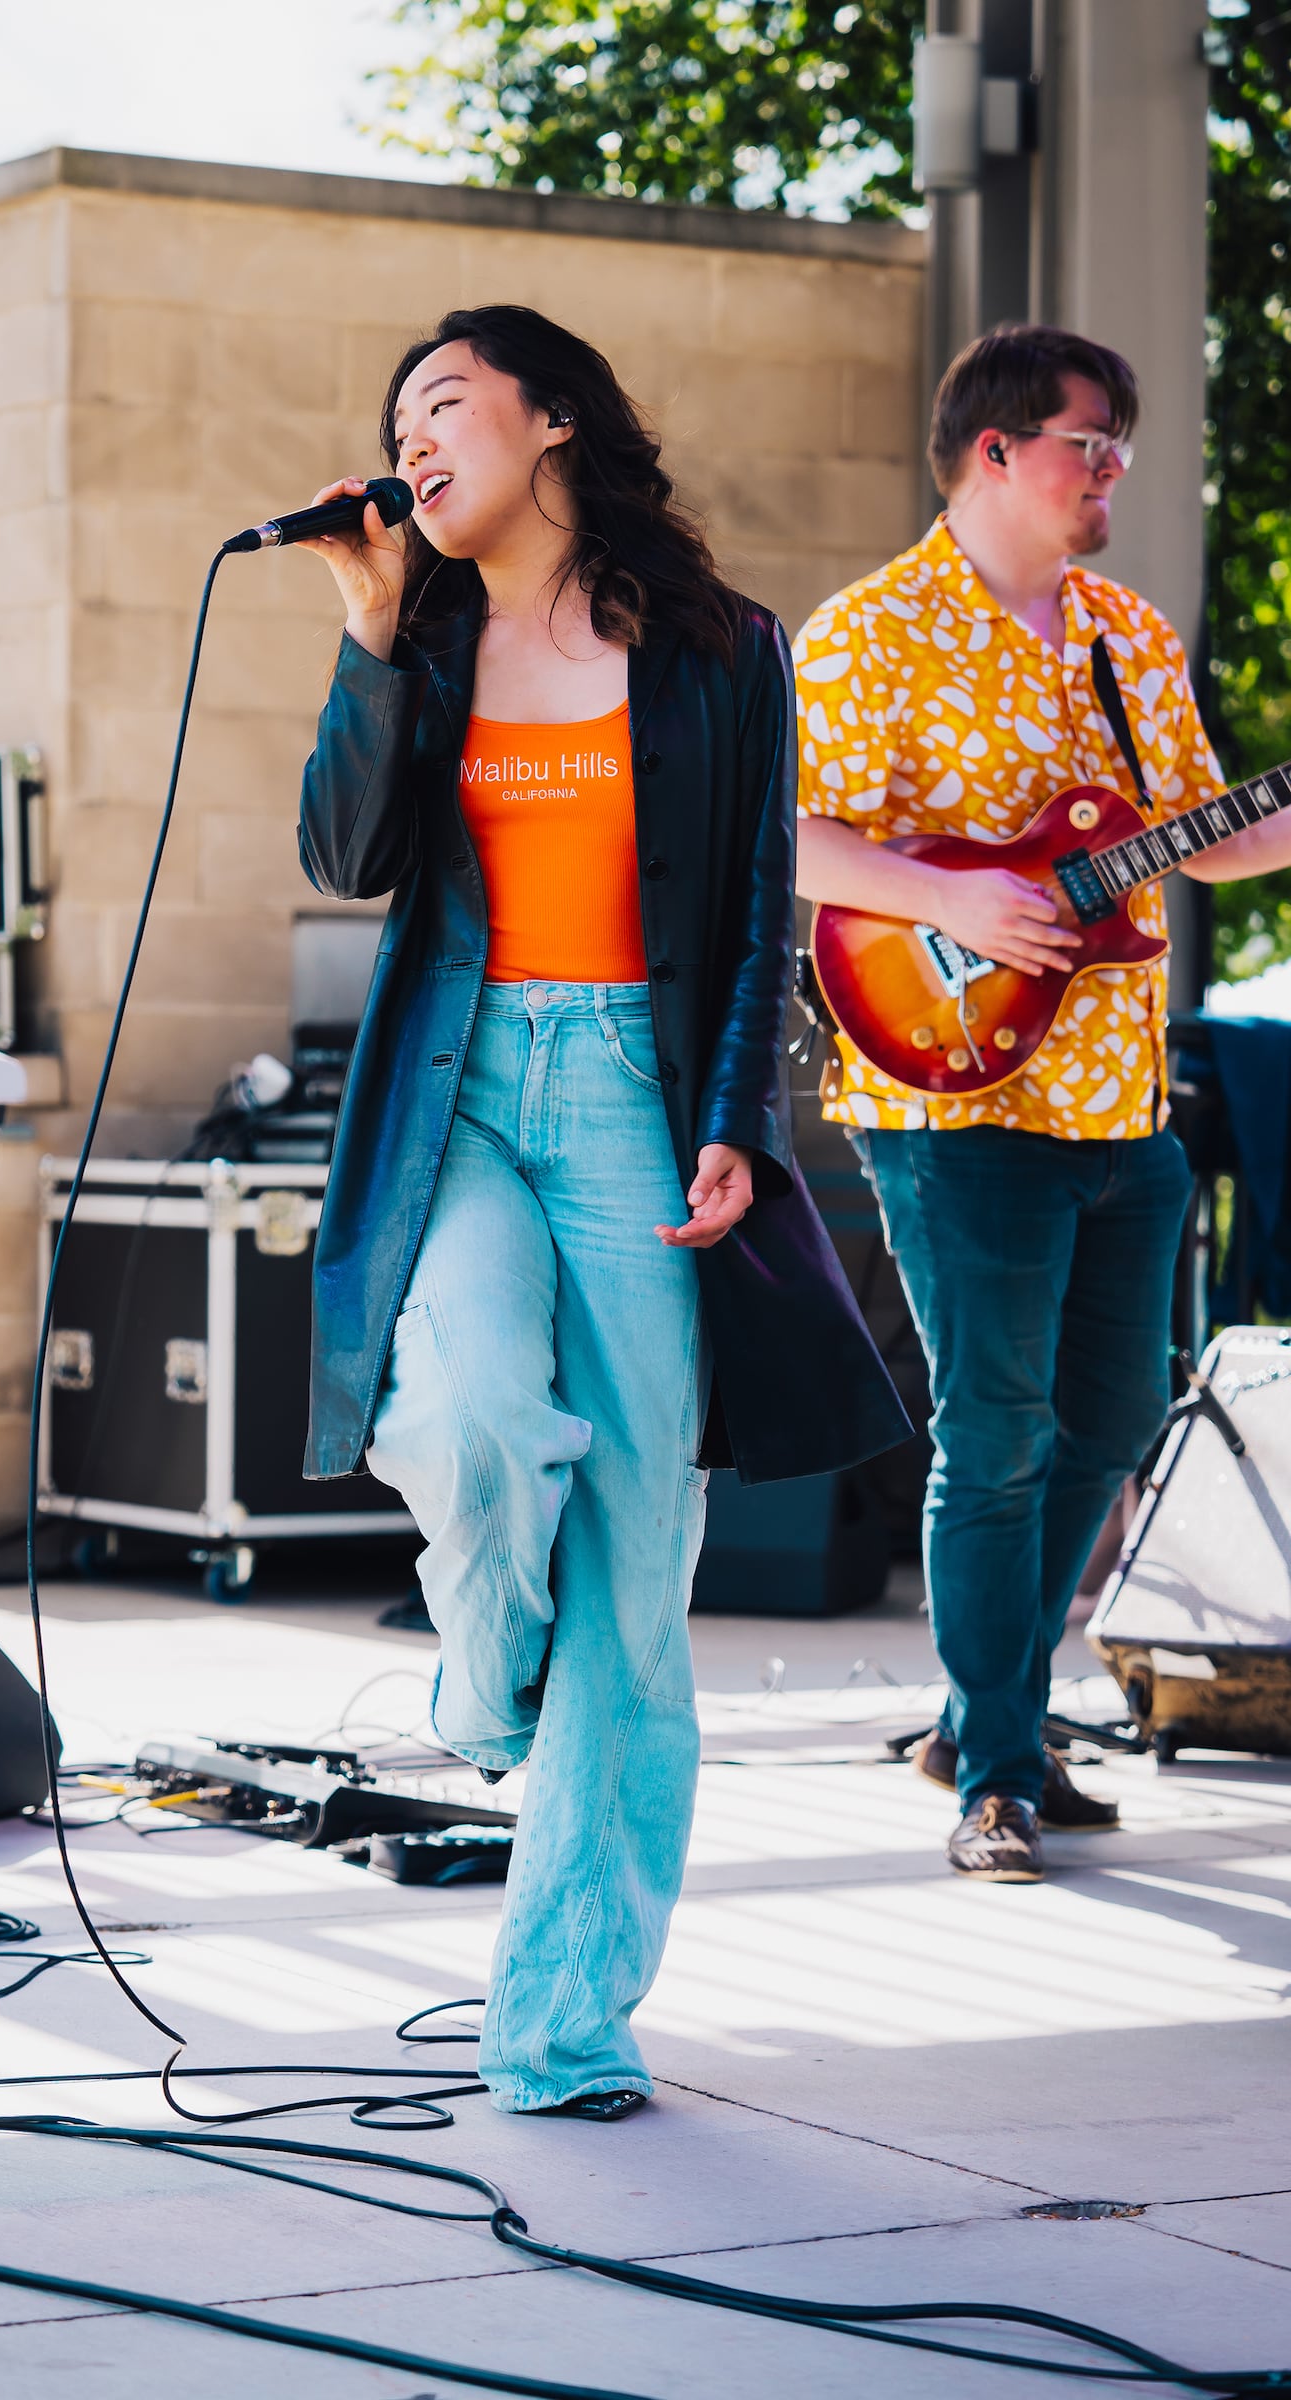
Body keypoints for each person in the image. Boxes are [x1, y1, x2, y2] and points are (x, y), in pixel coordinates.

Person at [296, 304, 906, 2117]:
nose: (414, 439)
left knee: (640, 1576)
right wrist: (369, 629)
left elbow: (754, 903)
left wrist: (737, 1120)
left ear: (550, 420)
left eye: (447, 403)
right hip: (468, 1088)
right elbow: (346, 860)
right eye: (397, 416)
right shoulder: (428, 630)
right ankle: (483, 1670)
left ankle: (563, 2023)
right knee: (468, 1403)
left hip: (640, 1095)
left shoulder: (722, 649)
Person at [794, 324, 1291, 1884]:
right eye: (1092, 441)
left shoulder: (1127, 634)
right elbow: (784, 835)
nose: (1113, 473)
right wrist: (974, 908)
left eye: (1121, 447)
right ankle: (998, 1765)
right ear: (995, 448)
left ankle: (976, 1708)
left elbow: (1196, 841)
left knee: (1118, 1417)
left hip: (1118, 1093)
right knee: (994, 1432)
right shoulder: (872, 631)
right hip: (944, 1093)